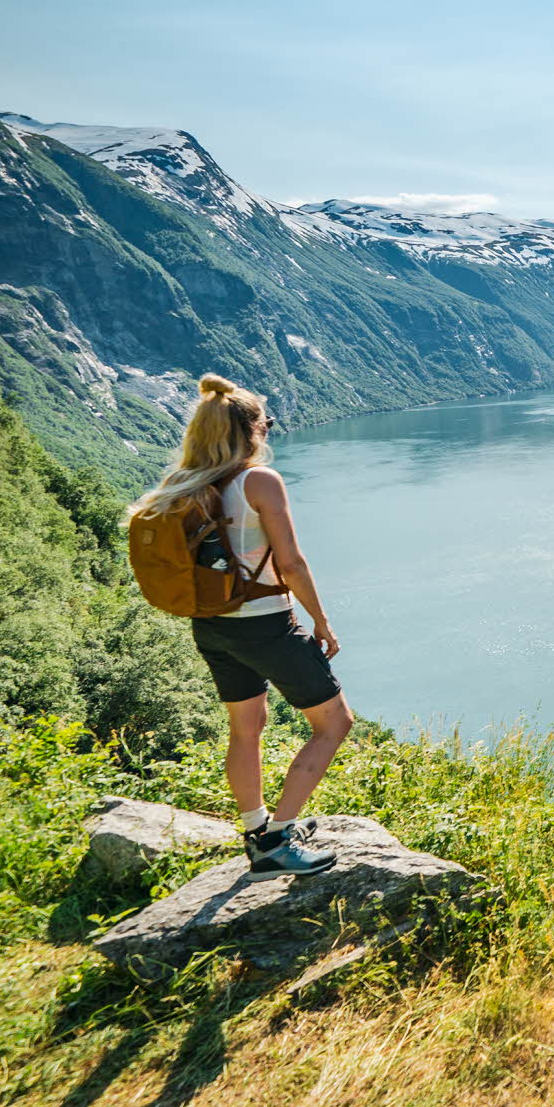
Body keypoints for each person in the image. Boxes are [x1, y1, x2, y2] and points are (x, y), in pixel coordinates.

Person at [127, 373, 355, 881]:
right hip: (265, 625)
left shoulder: (186, 484)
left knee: (246, 728)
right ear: (249, 430)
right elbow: (291, 563)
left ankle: (256, 829)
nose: (269, 430)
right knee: (335, 723)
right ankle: (278, 839)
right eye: (265, 422)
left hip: (212, 626)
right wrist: (321, 620)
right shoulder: (259, 482)